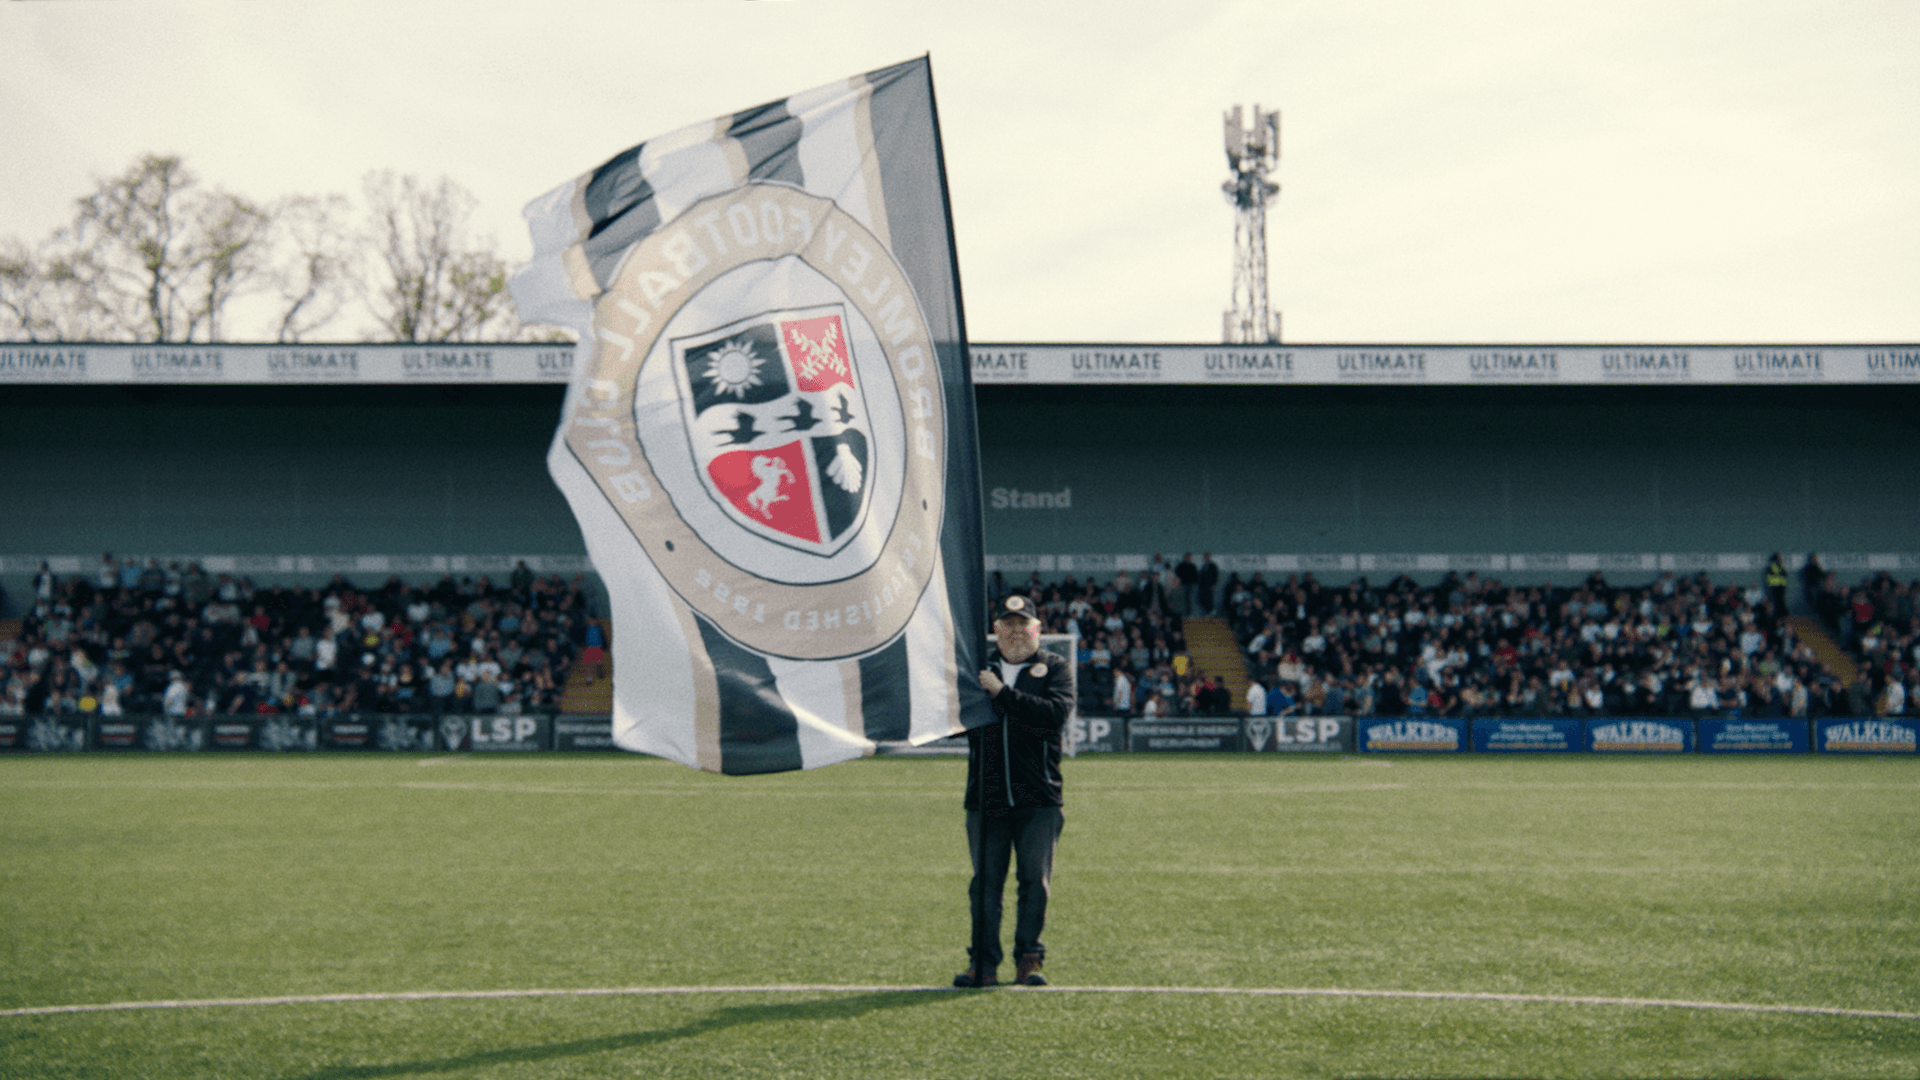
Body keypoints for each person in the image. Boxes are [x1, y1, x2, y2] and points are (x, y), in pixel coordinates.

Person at [956, 593, 1074, 989]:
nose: (1016, 631)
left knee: (1034, 882)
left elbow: (1053, 716)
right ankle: (982, 964)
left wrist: (1002, 695)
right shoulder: (976, 671)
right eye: (1008, 624)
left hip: (1039, 797)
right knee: (985, 885)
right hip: (985, 798)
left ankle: (1029, 959)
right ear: (996, 629)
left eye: (1023, 624)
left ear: (1037, 629)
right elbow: (956, 720)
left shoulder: (1055, 668)